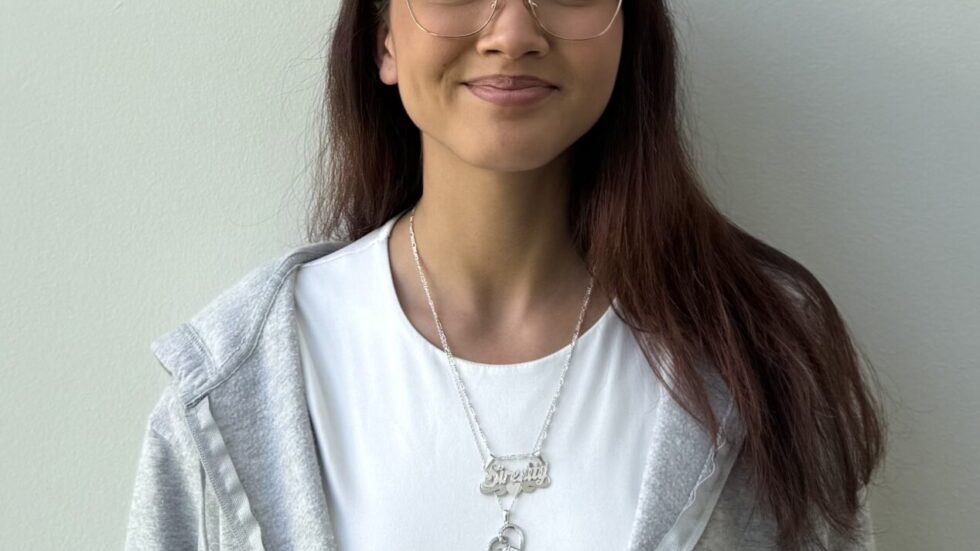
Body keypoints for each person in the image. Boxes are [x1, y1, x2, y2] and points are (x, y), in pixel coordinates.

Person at [124, 0, 887, 549]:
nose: (513, 32)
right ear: (383, 40)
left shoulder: (760, 357)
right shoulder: (236, 382)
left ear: (627, 33)